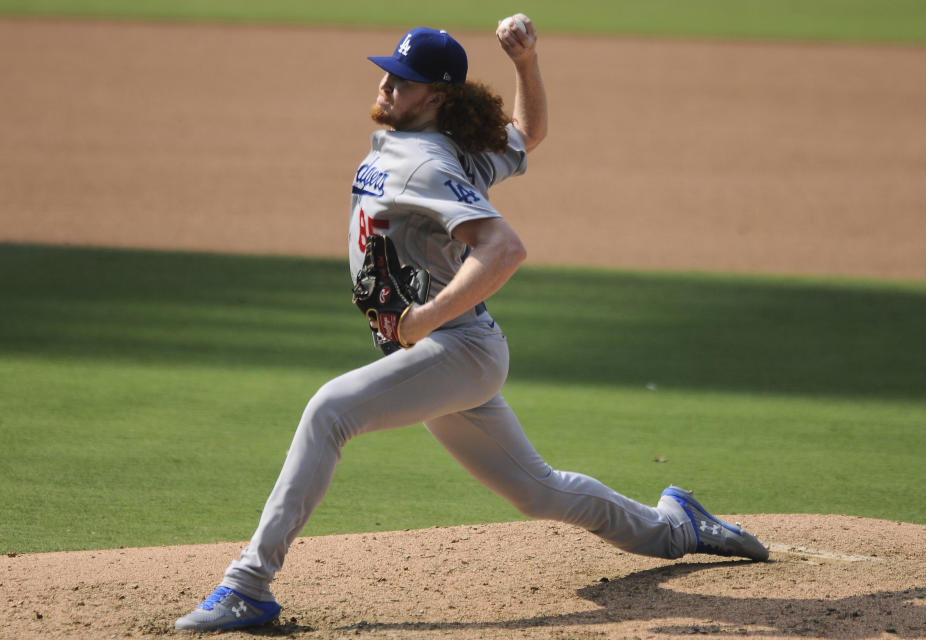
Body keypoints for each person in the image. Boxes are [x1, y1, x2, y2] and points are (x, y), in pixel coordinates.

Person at [174, 15, 768, 633]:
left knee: (330, 410)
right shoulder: (445, 153)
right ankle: (679, 526)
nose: (386, 86)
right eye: (388, 73)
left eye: (402, 81)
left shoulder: (429, 165)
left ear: (435, 96)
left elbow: (504, 248)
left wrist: (426, 318)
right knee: (538, 491)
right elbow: (527, 134)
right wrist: (527, 65)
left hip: (458, 350)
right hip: (445, 356)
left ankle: (249, 585)